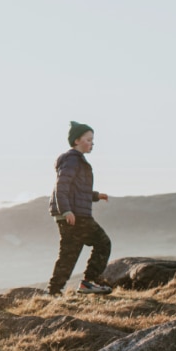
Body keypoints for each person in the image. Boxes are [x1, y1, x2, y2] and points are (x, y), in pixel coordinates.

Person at [48, 121, 113, 295]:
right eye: (89, 139)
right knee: (102, 243)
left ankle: (54, 291)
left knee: (69, 253)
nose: (92, 143)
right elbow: (62, 186)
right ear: (77, 140)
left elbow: (78, 190)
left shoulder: (75, 160)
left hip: (73, 213)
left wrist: (96, 196)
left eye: (92, 140)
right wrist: (66, 210)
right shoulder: (72, 160)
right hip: (75, 214)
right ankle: (89, 282)